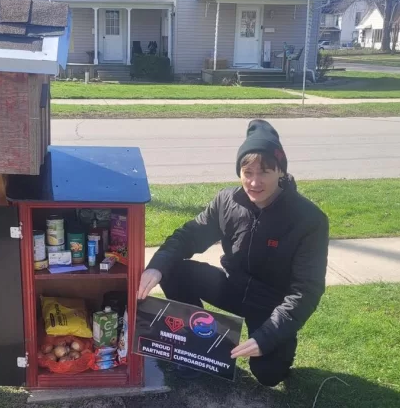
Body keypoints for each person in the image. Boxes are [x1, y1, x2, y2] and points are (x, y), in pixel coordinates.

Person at [137, 119, 329, 387]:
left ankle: (272, 350)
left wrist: (267, 338)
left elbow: (306, 291)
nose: (254, 182)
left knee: (269, 375)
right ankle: (197, 344)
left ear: (281, 171)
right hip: (232, 288)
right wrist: (157, 266)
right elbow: (189, 235)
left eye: (264, 172)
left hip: (271, 303)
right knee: (173, 269)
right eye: (247, 172)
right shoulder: (227, 201)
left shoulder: (309, 219)